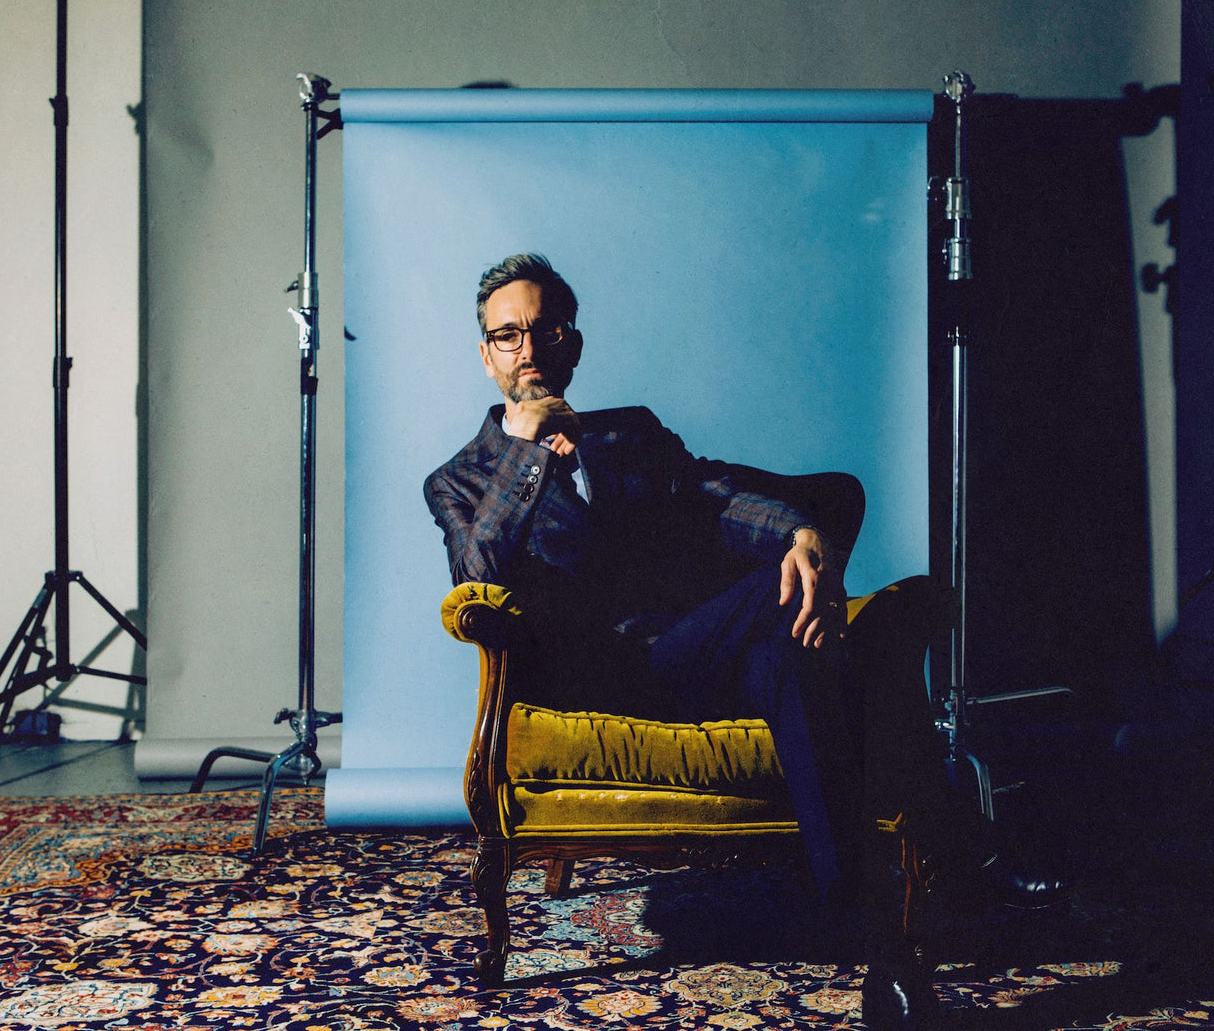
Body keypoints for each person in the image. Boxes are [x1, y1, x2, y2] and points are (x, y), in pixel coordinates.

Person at [424, 253, 1062, 1029]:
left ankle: (876, 944)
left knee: (790, 654)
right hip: (599, 677)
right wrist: (524, 450)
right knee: (795, 600)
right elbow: (478, 574)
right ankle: (957, 846)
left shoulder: (631, 436)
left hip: (700, 656)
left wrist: (799, 532)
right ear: (485, 354)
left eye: (544, 329)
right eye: (507, 334)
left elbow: (719, 499)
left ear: (574, 343)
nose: (528, 348)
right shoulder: (459, 480)